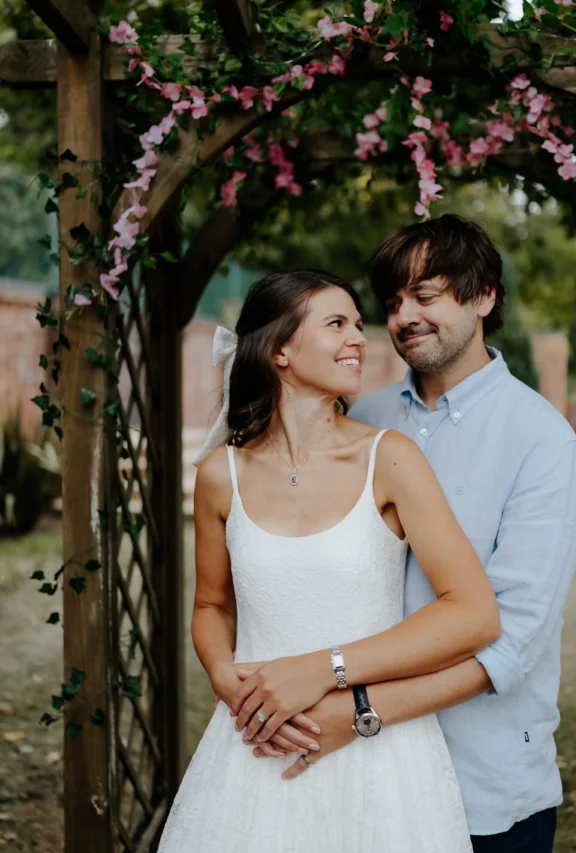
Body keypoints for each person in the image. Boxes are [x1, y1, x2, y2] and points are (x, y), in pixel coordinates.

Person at [253, 216, 576, 853]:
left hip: (481, 787)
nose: (404, 316)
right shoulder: (363, 417)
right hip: (355, 781)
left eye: (425, 296)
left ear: (484, 295)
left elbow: (512, 642)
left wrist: (356, 712)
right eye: (392, 303)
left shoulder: (542, 442)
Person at [158, 268, 500, 853]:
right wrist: (225, 677)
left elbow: (473, 614)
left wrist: (325, 669)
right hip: (254, 745)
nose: (360, 339)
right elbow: (213, 605)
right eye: (337, 323)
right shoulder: (221, 474)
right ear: (281, 350)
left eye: (358, 325)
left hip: (380, 758)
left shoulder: (389, 459)